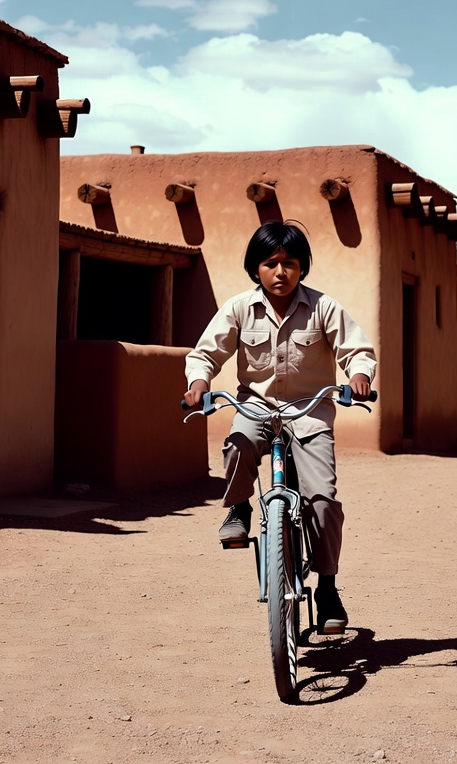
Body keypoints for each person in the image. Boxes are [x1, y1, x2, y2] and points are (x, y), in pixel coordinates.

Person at [184, 221, 376, 633]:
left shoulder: (324, 308)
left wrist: (359, 376)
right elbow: (205, 354)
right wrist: (198, 385)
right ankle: (239, 507)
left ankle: (327, 587)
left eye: (289, 263)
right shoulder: (238, 308)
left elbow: (357, 349)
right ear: (256, 269)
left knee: (322, 500)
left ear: (302, 267)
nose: (280, 272)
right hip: (255, 407)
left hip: (309, 413)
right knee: (237, 443)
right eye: (270, 263)